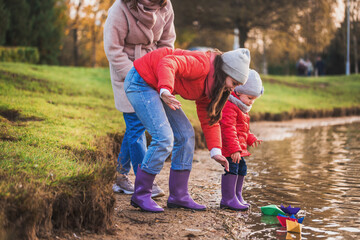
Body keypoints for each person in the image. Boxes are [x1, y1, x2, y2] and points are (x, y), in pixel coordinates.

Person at [124, 47, 251, 212]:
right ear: (225, 72)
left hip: (160, 87)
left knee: (186, 135)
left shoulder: (214, 85)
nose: (232, 89)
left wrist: (215, 150)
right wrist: (165, 89)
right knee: (163, 138)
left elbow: (209, 117)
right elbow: (168, 62)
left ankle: (179, 195)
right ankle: (141, 195)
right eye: (233, 83)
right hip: (141, 81)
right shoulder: (203, 64)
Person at [103, 0, 176, 197]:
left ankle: (119, 176)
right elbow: (113, 49)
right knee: (135, 124)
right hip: (126, 71)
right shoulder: (119, 9)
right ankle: (145, 182)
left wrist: (161, 73)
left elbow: (167, 44)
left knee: (138, 125)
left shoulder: (166, 7)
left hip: (152, 70)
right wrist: (134, 76)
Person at [219, 69, 263, 211]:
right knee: (232, 169)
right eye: (249, 98)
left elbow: (243, 130)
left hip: (238, 148)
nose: (251, 102)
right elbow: (228, 129)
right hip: (230, 148)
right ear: (238, 91)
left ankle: (237, 195)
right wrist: (234, 149)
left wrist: (251, 138)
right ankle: (228, 198)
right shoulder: (230, 106)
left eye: (254, 100)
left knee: (242, 168)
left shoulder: (242, 107)